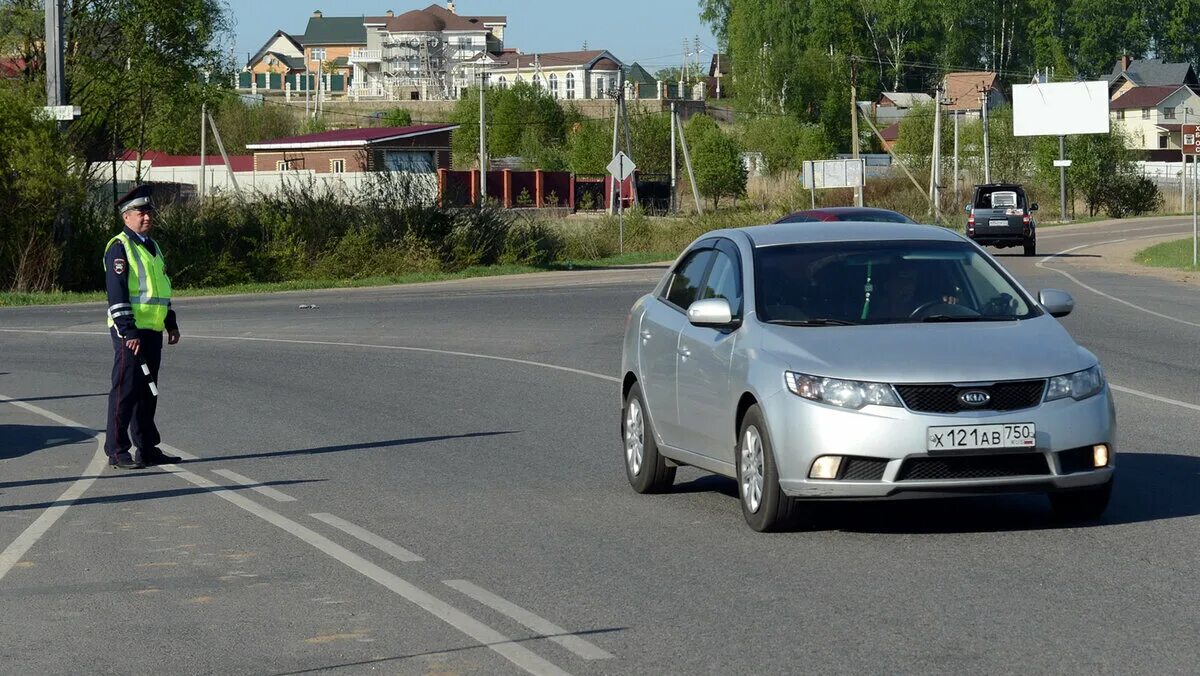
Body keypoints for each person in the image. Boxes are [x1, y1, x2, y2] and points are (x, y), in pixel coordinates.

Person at [103, 185, 182, 469]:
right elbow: (118, 292)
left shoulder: (152, 246)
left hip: (152, 329)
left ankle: (147, 448)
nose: (147, 217)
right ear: (126, 217)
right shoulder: (119, 247)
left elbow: (161, 287)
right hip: (130, 331)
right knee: (125, 390)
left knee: (148, 390)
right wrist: (128, 330)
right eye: (141, 212)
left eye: (149, 212)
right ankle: (116, 449)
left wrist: (170, 322)